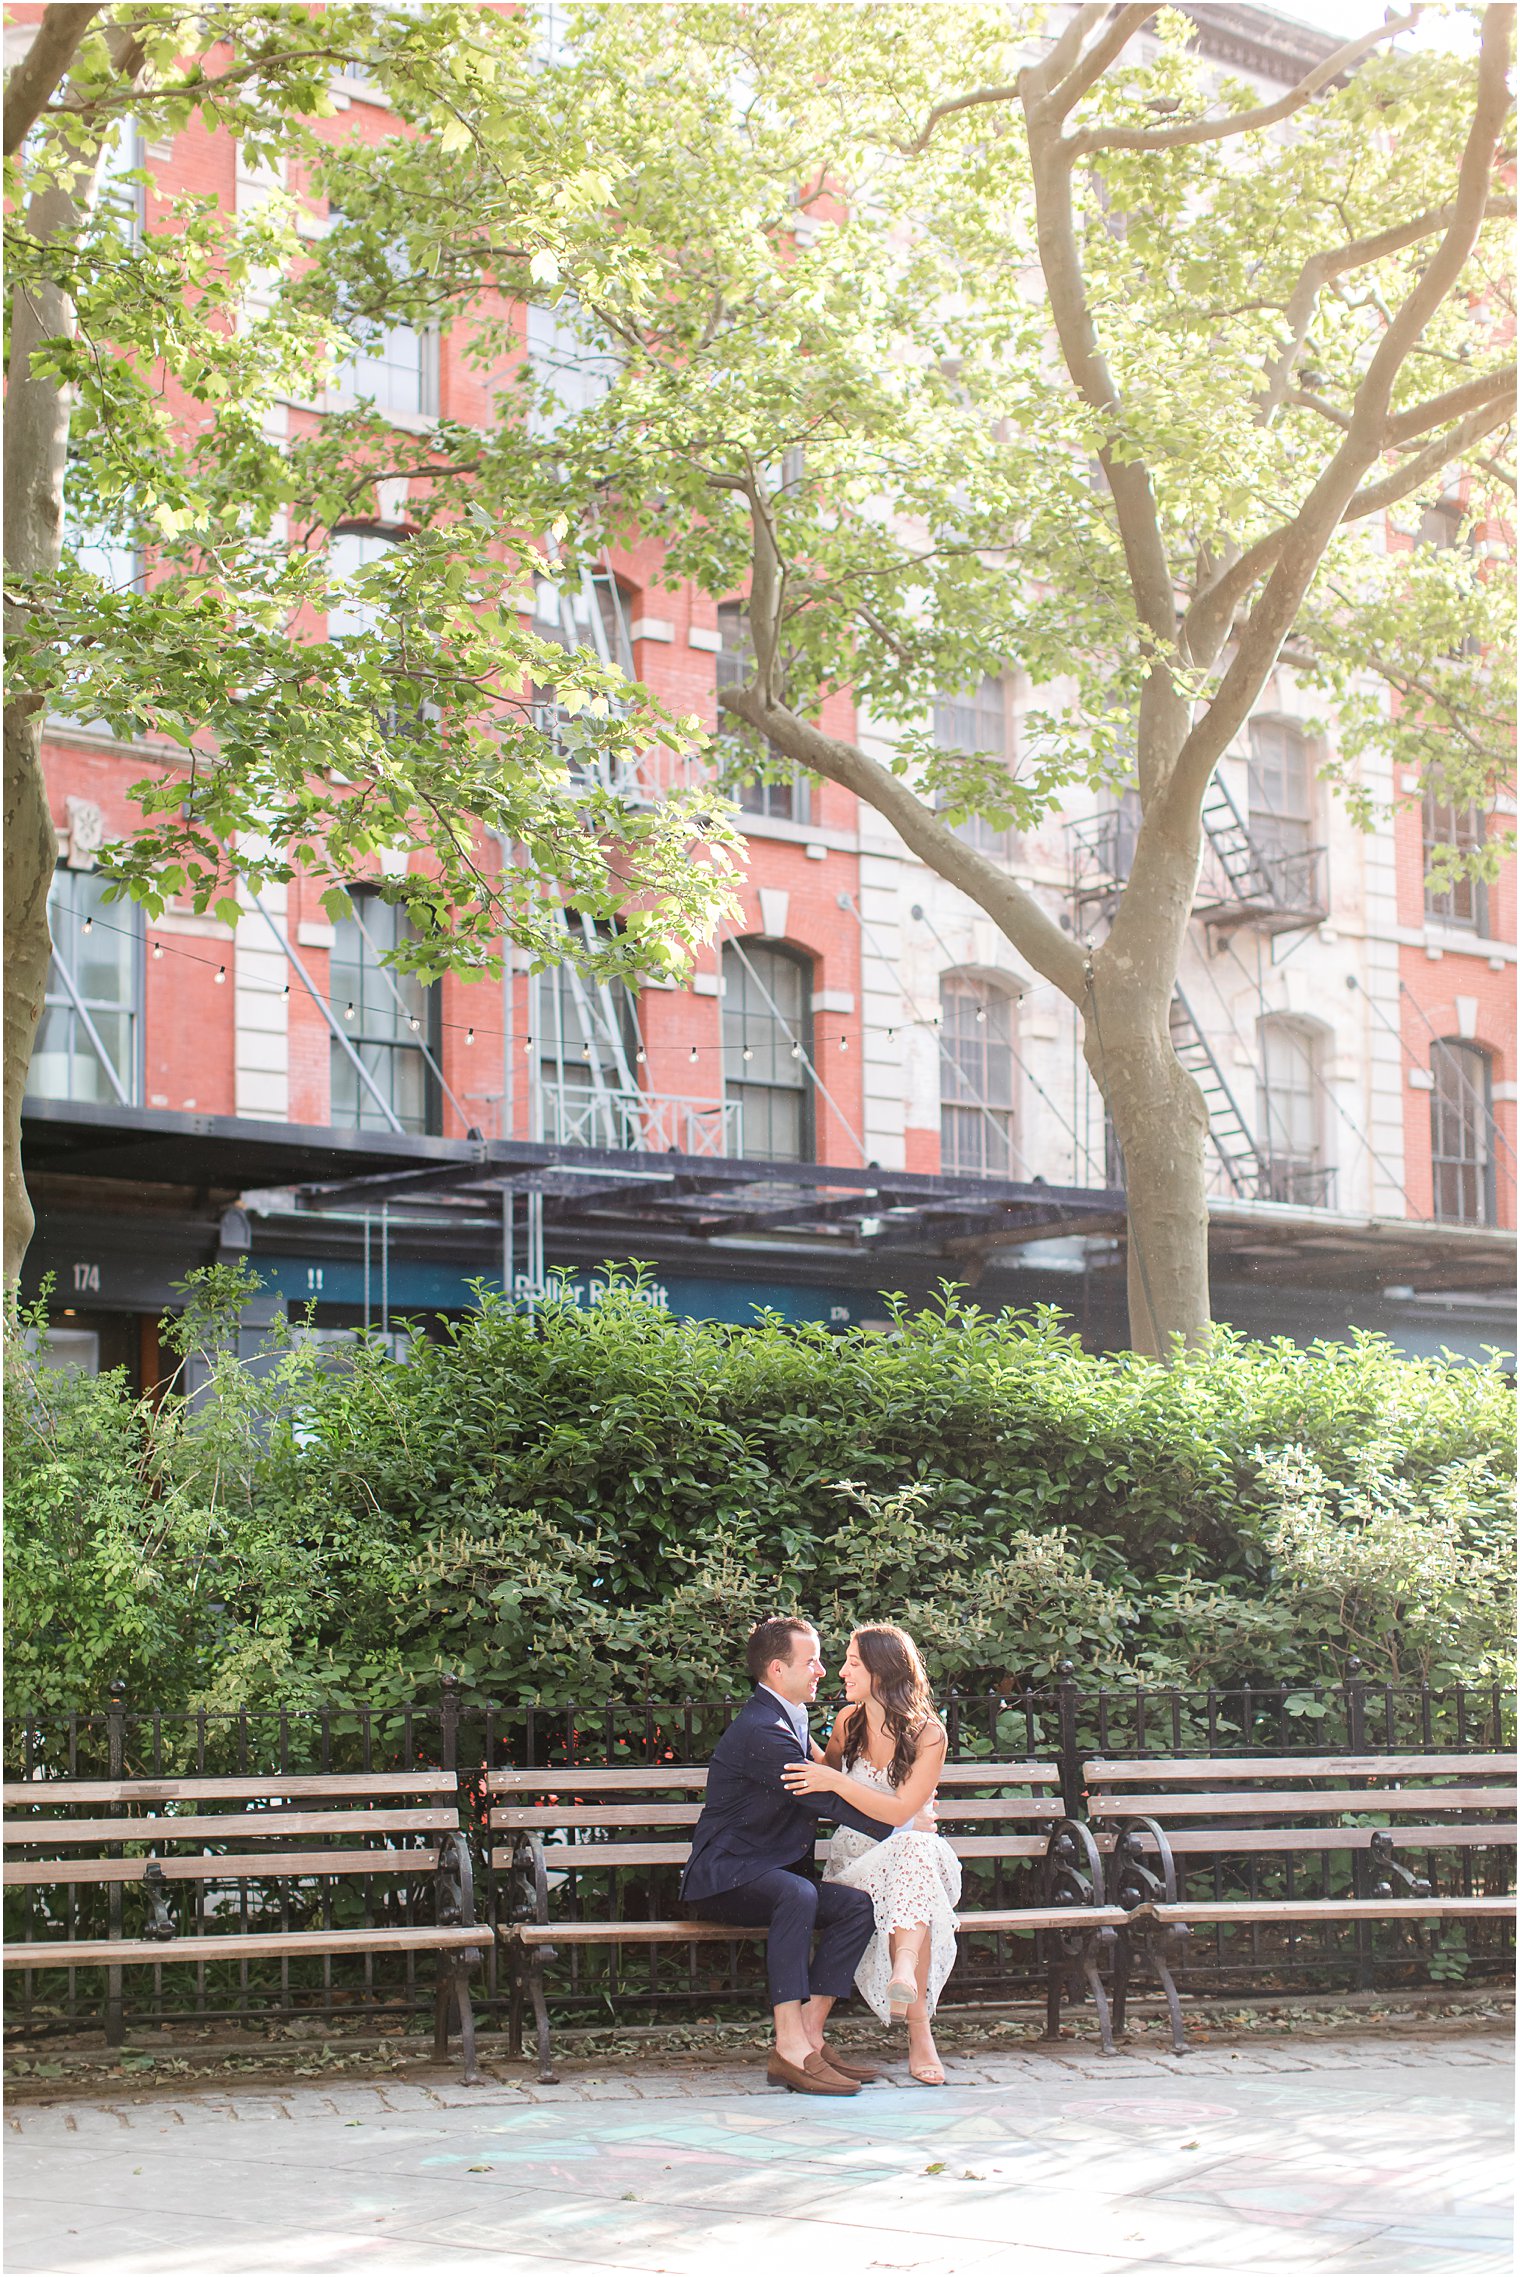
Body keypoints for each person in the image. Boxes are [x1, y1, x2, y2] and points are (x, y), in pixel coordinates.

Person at [681, 1614, 898, 2097]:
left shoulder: (789, 1719)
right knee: (798, 1895)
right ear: (778, 1670)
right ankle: (788, 2048)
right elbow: (822, 1798)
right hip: (724, 1879)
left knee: (856, 1906)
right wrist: (902, 1823)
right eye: (813, 1661)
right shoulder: (762, 1728)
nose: (823, 1670)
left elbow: (833, 1776)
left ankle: (811, 2036)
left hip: (768, 1876)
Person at [781, 1623, 960, 2087]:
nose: (841, 1672)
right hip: (857, 1858)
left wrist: (849, 1789)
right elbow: (827, 1778)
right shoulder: (848, 1722)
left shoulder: (927, 1735)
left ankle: (905, 1970)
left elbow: (900, 1809)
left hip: (910, 1860)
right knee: (915, 1852)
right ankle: (919, 2032)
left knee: (915, 1849)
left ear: (882, 1671)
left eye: (853, 1664)